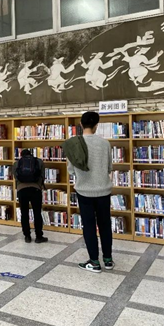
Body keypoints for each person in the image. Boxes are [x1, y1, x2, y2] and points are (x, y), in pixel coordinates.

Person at [63, 112, 114, 273]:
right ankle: (108, 260)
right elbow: (109, 168)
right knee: (105, 225)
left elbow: (71, 170)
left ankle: (94, 262)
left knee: (89, 226)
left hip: (84, 191)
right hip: (103, 190)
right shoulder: (105, 143)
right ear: (96, 125)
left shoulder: (73, 144)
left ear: (80, 124)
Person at [13, 149, 48, 244]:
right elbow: (42, 176)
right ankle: (39, 236)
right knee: (37, 213)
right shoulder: (39, 162)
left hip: (22, 190)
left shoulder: (16, 163)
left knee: (24, 213)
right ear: (31, 154)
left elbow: (16, 177)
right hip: (35, 190)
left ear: (21, 155)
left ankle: (27, 236)